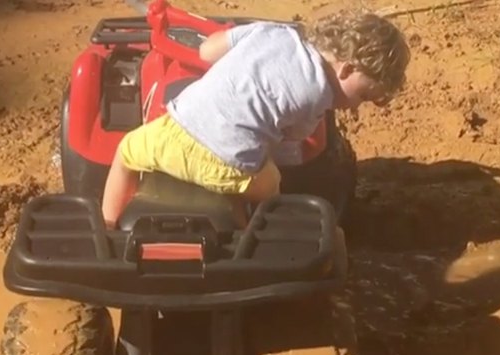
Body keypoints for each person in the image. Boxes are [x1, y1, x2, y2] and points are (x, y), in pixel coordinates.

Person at [100, 11, 411, 229]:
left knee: (126, 151)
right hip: (228, 164)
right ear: (346, 69)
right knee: (270, 180)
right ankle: (250, 238)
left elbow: (208, 51)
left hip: (177, 128)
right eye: (362, 96)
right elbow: (293, 140)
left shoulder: (272, 32)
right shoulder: (319, 96)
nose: (356, 107)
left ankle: (107, 229)